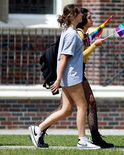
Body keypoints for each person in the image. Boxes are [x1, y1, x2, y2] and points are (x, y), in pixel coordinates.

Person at [29, 4, 100, 149]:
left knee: (66, 109)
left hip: (70, 76)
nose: (82, 15)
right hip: (72, 76)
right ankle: (82, 140)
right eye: (80, 13)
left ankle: (38, 129)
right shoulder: (71, 34)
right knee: (83, 105)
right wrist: (59, 79)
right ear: (74, 16)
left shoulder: (69, 32)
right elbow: (63, 58)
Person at [76, 8, 114, 148]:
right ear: (83, 20)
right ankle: (94, 138)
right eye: (90, 17)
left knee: (66, 108)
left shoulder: (84, 35)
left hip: (79, 72)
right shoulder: (79, 35)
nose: (93, 20)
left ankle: (40, 130)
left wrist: (91, 42)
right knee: (88, 103)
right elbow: (80, 57)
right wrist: (93, 46)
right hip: (76, 73)